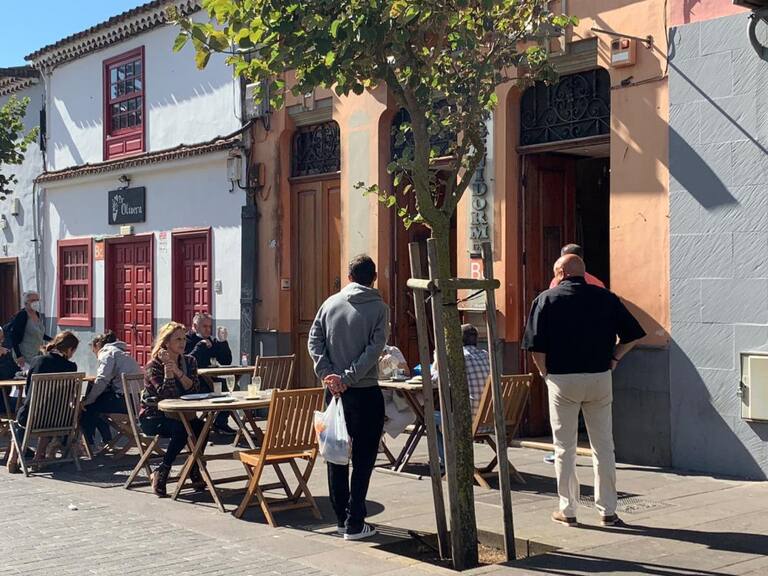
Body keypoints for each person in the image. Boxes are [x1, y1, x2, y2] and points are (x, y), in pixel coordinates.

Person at [522, 254, 646, 528]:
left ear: (560, 273)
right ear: (583, 272)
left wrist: (545, 374)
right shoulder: (607, 298)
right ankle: (608, 511)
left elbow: (535, 347)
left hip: (562, 379)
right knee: (603, 447)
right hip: (599, 377)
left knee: (564, 447)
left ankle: (568, 510)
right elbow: (634, 334)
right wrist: (614, 358)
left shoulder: (545, 299)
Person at [308, 254, 388, 541]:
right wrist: (349, 377)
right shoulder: (380, 308)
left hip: (334, 393)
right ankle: (355, 521)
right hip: (365, 391)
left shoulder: (329, 304)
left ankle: (341, 518)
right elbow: (375, 349)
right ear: (374, 278)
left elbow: (314, 341)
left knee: (336, 453)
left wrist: (328, 375)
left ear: (349, 276)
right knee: (364, 459)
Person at [140, 322, 206, 497]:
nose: (182, 343)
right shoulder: (153, 365)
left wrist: (176, 370)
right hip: (155, 416)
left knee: (203, 428)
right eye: (178, 339)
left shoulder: (190, 361)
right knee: (182, 430)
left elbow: (195, 389)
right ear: (166, 342)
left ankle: (192, 468)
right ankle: (163, 470)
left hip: (183, 414)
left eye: (184, 339)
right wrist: (168, 371)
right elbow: (165, 395)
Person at [7, 331, 79, 472]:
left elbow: (28, 390)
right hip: (58, 419)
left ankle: (13, 458)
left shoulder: (37, 361)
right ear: (70, 349)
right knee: (50, 411)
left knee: (23, 415)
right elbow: (70, 394)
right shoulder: (71, 367)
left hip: (32, 417)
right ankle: (38, 458)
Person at [431, 323, 490, 467]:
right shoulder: (487, 355)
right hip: (491, 420)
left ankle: (449, 463)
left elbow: (436, 381)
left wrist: (436, 360)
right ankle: (449, 461)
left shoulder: (457, 357)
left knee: (429, 417)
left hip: (468, 420)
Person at [80, 331, 141, 451]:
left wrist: (87, 400)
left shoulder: (107, 353)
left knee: (89, 407)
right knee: (99, 403)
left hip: (125, 403)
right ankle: (107, 440)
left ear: (97, 345)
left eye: (94, 351)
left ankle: (89, 444)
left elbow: (102, 380)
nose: (95, 354)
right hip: (136, 401)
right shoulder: (122, 353)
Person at [185, 313, 235, 435]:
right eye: (204, 326)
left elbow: (226, 361)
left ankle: (220, 422)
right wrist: (200, 346)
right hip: (192, 383)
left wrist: (223, 342)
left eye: (209, 327)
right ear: (195, 326)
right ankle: (215, 423)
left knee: (232, 387)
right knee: (224, 387)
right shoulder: (186, 340)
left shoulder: (212, 340)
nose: (208, 330)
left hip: (210, 380)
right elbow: (187, 362)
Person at [2, 291, 51, 369]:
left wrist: (53, 340)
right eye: (33, 300)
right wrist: (19, 356)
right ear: (26, 303)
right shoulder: (22, 315)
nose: (36, 302)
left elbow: (39, 333)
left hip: (35, 355)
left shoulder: (37, 314)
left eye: (37, 300)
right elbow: (14, 336)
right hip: (24, 356)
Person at [0, 327, 20, 414]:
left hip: (5, 399)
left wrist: (24, 373)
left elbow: (15, 371)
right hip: (3, 402)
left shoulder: (6, 354)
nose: (2, 341)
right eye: (0, 338)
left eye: (2, 338)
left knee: (26, 404)